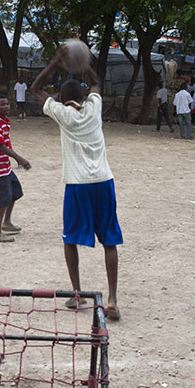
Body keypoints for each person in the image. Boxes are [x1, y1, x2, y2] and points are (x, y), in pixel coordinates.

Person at [31, 46, 122, 320]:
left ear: (61, 97)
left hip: (78, 184)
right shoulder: (94, 109)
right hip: (104, 181)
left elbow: (36, 88)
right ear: (84, 96)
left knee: (70, 239)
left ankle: (78, 294)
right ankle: (113, 299)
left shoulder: (62, 114)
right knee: (109, 241)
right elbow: (96, 82)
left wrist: (55, 61)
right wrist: (85, 65)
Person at [0, 94, 31, 243]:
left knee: (15, 191)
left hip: (4, 164)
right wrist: (19, 158)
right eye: (2, 105)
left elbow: (5, 143)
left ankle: (6, 222)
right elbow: (0, 145)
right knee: (3, 197)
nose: (6, 107)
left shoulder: (4, 121)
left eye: (7, 104)